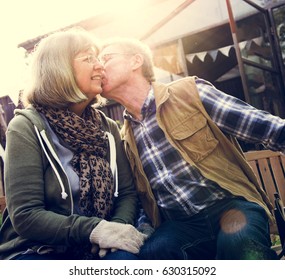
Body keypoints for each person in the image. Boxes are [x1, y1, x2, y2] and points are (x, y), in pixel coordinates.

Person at [98, 37, 285, 260]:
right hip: (180, 225)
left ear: (135, 61)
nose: (99, 66)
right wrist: (141, 229)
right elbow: (141, 201)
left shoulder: (189, 93)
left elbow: (265, 127)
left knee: (239, 245)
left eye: (106, 58)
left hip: (230, 206)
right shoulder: (124, 139)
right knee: (153, 253)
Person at [0, 28, 147, 260]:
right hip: (37, 249)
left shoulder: (107, 127)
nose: (100, 65)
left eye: (98, 58)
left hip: (99, 245)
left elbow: (127, 193)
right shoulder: (26, 127)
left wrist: (116, 229)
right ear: (59, 68)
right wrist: (95, 230)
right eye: (89, 58)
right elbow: (26, 215)